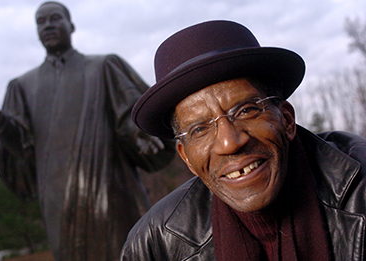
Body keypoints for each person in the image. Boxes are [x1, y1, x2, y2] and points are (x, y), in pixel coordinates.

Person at [120, 20, 366, 261]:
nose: (229, 143)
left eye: (246, 110)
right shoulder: (156, 244)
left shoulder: (361, 192)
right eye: (200, 129)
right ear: (187, 159)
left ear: (287, 120)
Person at [0, 2, 176, 261]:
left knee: (127, 252)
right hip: (58, 202)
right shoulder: (22, 86)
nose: (48, 26)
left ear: (71, 25)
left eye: (55, 18)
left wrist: (141, 133)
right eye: (41, 22)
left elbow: (131, 114)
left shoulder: (104, 66)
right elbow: (21, 148)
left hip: (110, 192)